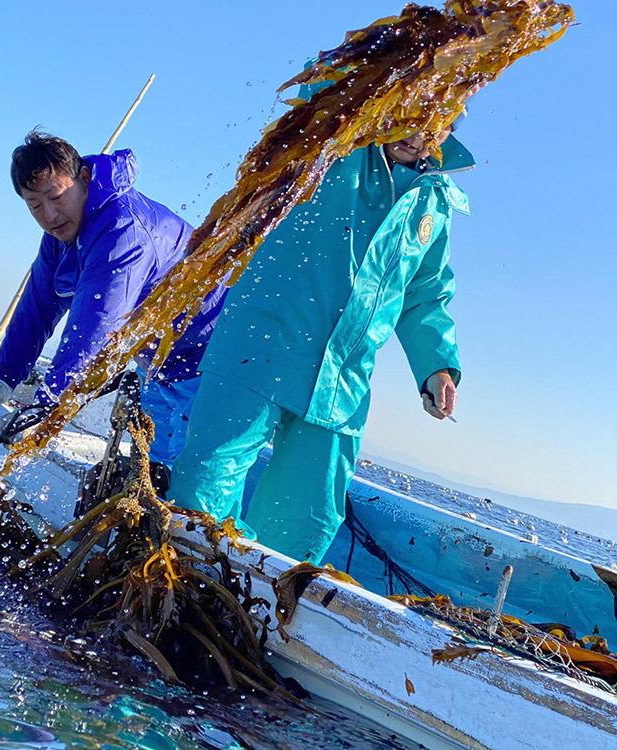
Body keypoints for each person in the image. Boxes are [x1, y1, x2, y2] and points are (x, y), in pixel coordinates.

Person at [168, 106, 475, 564]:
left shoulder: (434, 203)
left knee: (307, 522)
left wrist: (436, 366)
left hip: (344, 378)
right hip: (261, 344)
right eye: (412, 115)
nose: (419, 134)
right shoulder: (336, 143)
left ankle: (254, 616)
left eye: (437, 125)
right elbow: (325, 93)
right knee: (205, 485)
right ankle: (180, 581)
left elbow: (425, 295)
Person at [0, 130, 226, 468]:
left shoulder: (123, 228)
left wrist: (47, 407)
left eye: (56, 197)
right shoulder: (59, 236)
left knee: (188, 485)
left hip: (214, 361)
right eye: (35, 205)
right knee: (151, 473)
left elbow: (95, 328)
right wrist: (6, 377)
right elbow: (38, 307)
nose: (49, 215)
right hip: (161, 369)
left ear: (83, 177)